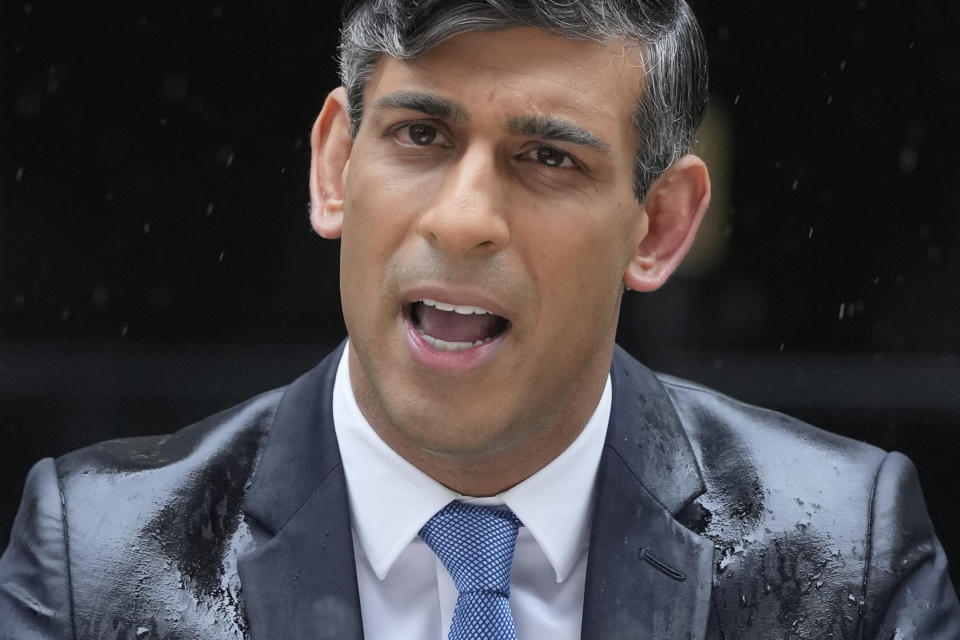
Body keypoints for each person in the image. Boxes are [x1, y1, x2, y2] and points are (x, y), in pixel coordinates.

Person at [1, 0, 957, 638]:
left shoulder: (844, 551)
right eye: (421, 134)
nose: (462, 218)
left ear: (659, 225)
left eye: (548, 157)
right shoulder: (98, 556)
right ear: (336, 166)